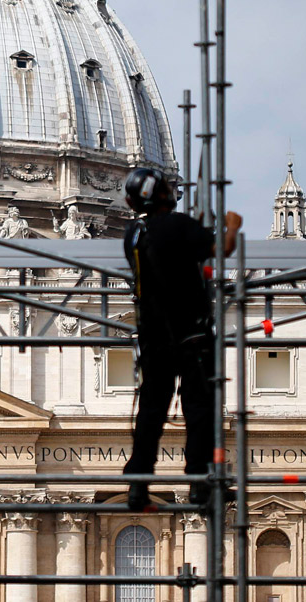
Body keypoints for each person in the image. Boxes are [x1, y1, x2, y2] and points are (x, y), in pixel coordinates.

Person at [120, 168, 241, 511]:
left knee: (151, 411)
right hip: (192, 335)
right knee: (199, 408)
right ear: (165, 195)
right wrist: (231, 224)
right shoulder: (179, 226)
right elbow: (223, 249)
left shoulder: (132, 235)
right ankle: (200, 482)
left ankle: (138, 485)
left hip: (153, 337)